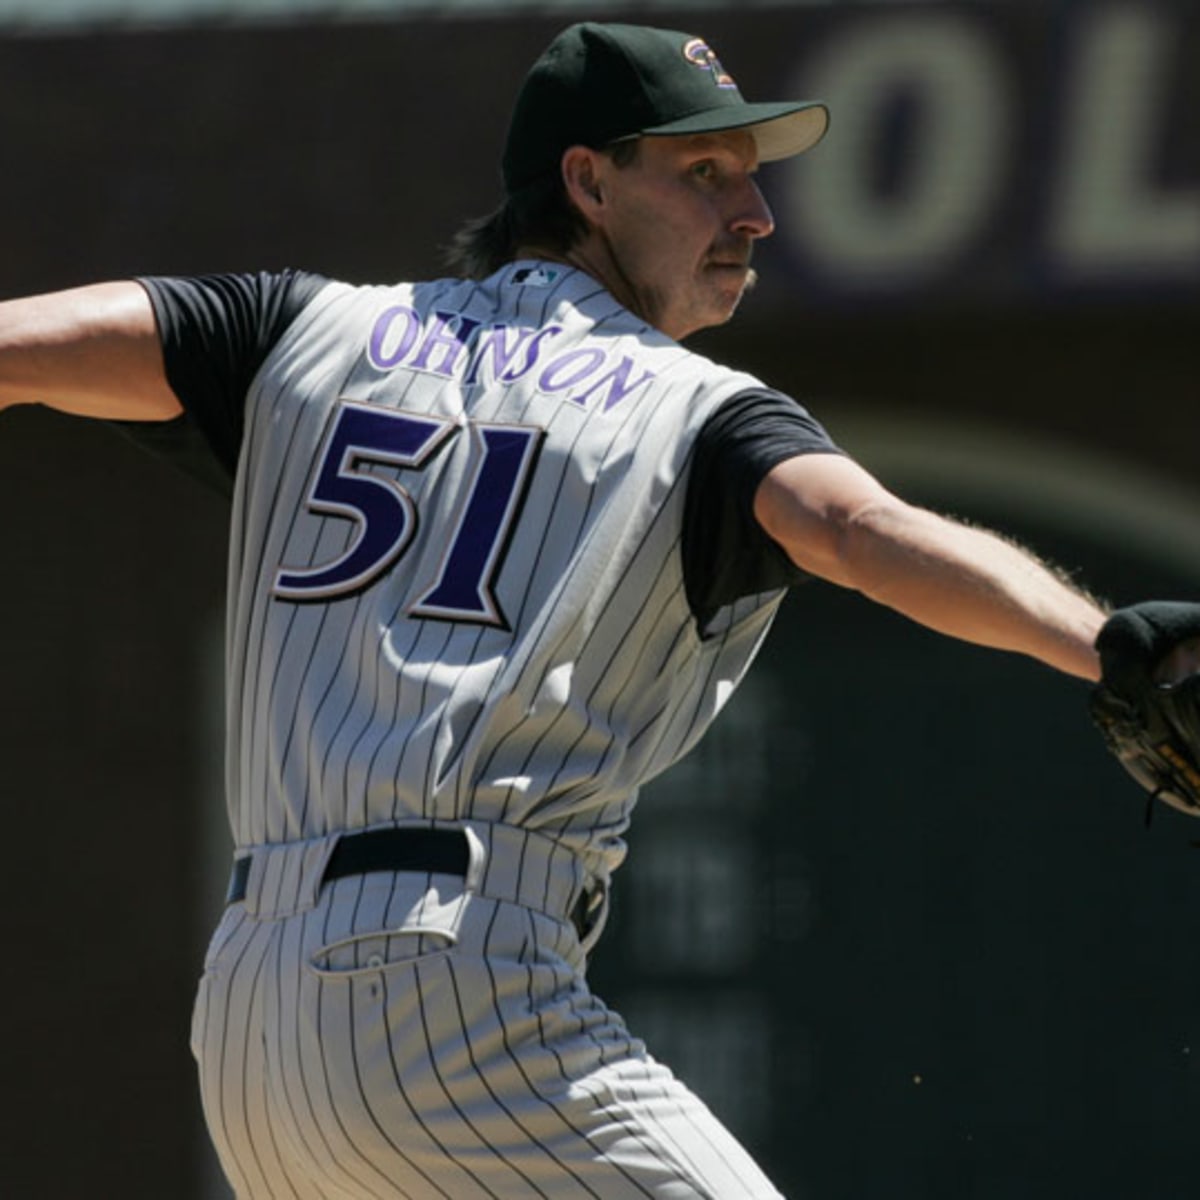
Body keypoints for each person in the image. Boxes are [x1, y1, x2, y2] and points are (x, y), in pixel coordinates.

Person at [0, 20, 1126, 1200]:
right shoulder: (695, 410)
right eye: (704, 174)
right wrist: (1104, 647)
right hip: (455, 989)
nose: (756, 214)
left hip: (250, 1030)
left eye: (750, 175)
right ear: (586, 181)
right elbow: (860, 533)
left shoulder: (298, 331)